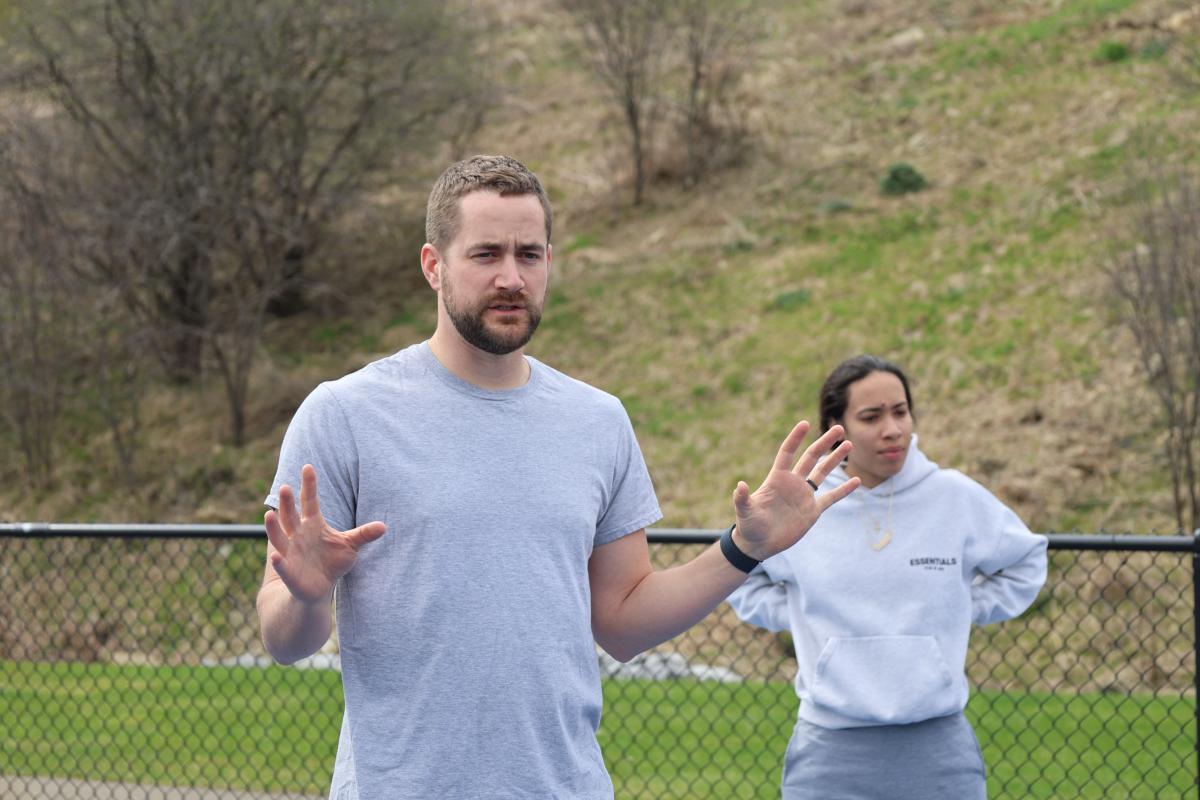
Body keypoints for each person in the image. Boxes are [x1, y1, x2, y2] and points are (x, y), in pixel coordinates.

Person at [256, 154, 861, 800]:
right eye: (485, 254)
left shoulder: (597, 422)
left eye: (530, 254)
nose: (512, 277)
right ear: (433, 265)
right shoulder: (345, 414)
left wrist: (746, 549)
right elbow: (284, 638)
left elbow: (624, 621)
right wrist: (310, 596)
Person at [728, 354, 1048, 800]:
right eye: (871, 416)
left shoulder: (953, 497)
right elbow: (741, 576)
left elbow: (1027, 560)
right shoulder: (802, 507)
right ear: (835, 427)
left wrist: (959, 605)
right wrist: (803, 614)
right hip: (829, 751)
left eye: (900, 411)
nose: (892, 428)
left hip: (937, 749)